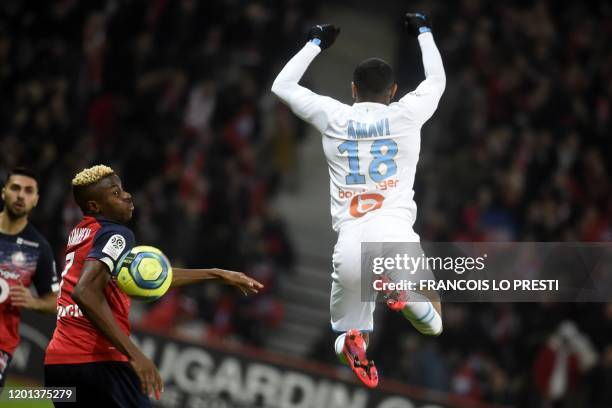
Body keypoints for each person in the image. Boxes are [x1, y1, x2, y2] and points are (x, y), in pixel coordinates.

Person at [271, 13, 445, 388]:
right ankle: (404, 296)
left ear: (352, 89)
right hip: (394, 232)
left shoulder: (333, 116)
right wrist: (424, 32)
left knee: (351, 336)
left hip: (349, 241)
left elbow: (282, 86)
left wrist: (314, 43)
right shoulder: (407, 114)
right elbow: (436, 80)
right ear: (394, 90)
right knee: (434, 321)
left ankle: (350, 341)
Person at [44, 165, 264, 407]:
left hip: (58, 364)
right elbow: (84, 292)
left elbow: (155, 277)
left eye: (123, 189)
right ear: (95, 206)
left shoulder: (83, 232)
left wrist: (216, 274)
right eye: (115, 193)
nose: (127, 195)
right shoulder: (117, 234)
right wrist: (136, 355)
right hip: (98, 362)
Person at [0, 167, 59, 389]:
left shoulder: (39, 247)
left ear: (35, 200)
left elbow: (54, 300)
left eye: (28, 191)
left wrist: (33, 301)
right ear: (3, 192)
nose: (21, 195)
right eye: (15, 188)